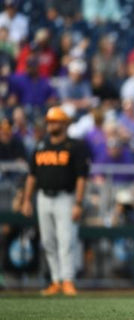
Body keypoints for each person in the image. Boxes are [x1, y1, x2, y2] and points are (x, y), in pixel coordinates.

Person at [21, 106, 90, 296]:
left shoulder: (74, 147)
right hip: (43, 197)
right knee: (48, 241)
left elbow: (82, 177)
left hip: (65, 198)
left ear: (65, 124)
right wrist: (27, 199)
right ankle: (55, 280)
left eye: (56, 121)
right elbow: (31, 176)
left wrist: (78, 202)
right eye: (50, 121)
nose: (52, 125)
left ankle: (68, 280)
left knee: (66, 240)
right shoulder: (41, 145)